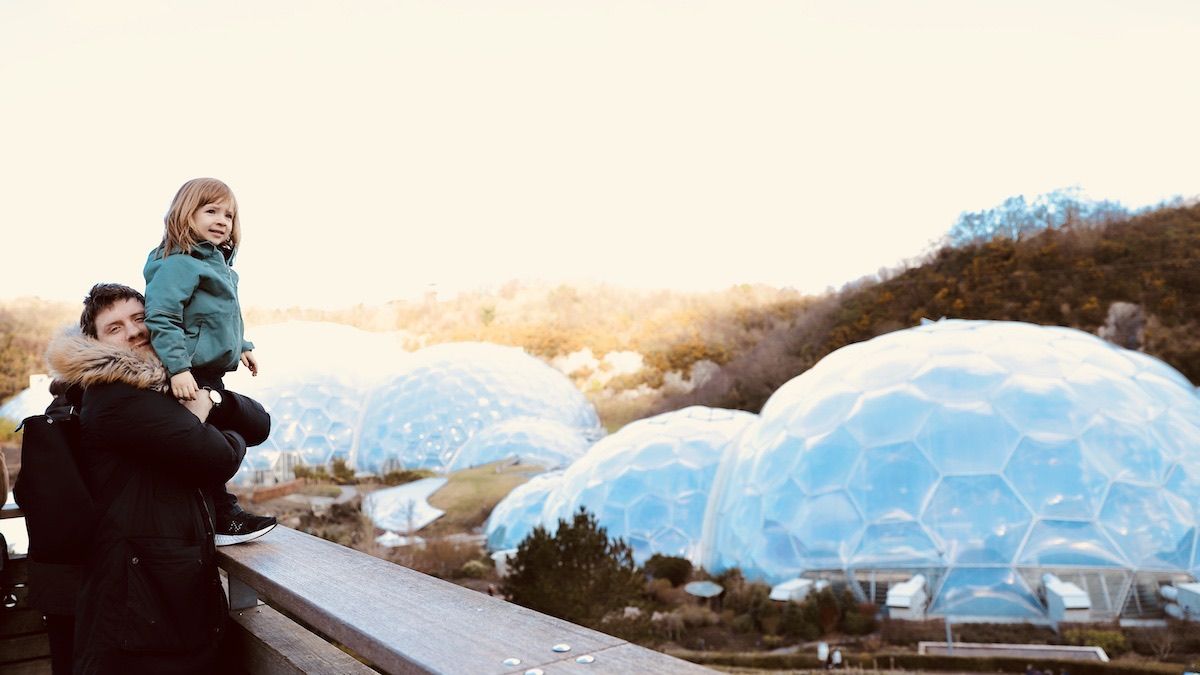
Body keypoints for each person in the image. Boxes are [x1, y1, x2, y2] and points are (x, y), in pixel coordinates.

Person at [46, 284, 271, 673]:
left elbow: (260, 423)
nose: (133, 331)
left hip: (161, 596)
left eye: (139, 317)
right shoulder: (113, 395)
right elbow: (216, 458)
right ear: (95, 343)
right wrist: (206, 421)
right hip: (138, 608)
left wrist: (212, 400)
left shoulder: (168, 382)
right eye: (114, 328)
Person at [143, 177, 275, 545]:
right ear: (187, 213)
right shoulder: (179, 264)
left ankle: (218, 514)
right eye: (211, 210)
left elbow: (225, 315)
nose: (222, 220)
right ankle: (222, 517)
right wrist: (179, 369)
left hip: (212, 372)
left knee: (211, 443)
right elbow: (162, 317)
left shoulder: (219, 266)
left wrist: (243, 344)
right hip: (191, 372)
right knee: (205, 448)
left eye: (229, 215)